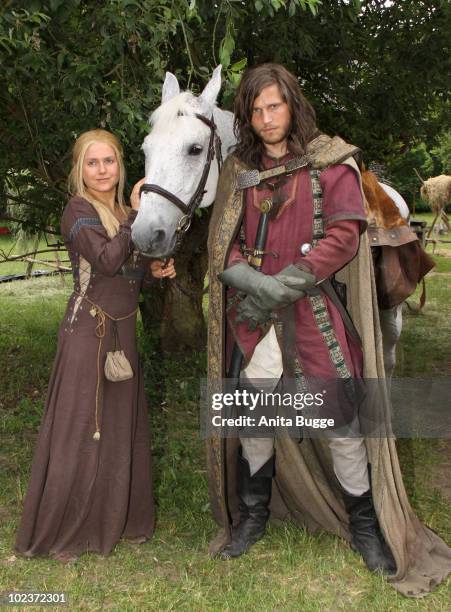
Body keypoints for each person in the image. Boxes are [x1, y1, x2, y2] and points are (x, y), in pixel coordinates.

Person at [206, 64, 451, 596]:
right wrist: (255, 284)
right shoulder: (237, 170)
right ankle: (252, 516)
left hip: (315, 313)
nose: (268, 118)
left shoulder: (331, 163)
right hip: (253, 318)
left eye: (276, 106)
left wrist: (284, 284)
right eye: (257, 109)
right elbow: (221, 243)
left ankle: (365, 526)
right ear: (248, 116)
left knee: (341, 422)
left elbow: (344, 233)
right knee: (254, 419)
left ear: (292, 105)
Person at [15, 129, 175, 561]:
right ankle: (65, 530)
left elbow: (126, 271)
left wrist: (154, 269)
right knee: (82, 428)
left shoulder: (124, 210)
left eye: (109, 161)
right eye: (92, 162)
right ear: (79, 168)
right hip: (88, 333)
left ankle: (119, 521)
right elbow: (105, 259)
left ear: (120, 166)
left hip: (122, 332)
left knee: (120, 426)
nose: (102, 170)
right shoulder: (77, 210)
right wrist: (133, 219)